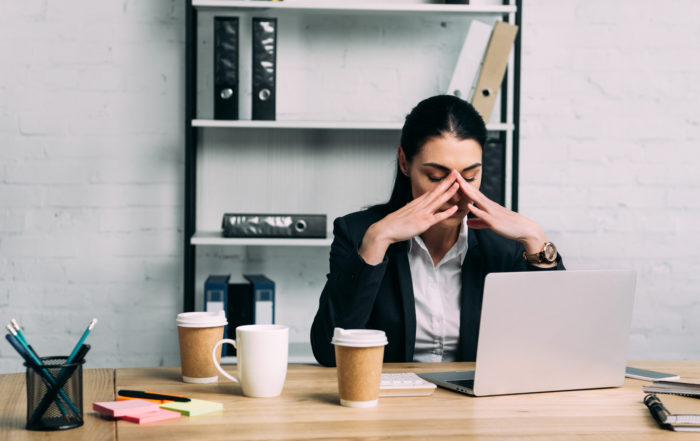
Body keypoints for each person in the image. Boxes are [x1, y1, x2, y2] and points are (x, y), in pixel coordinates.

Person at [310, 95, 565, 367]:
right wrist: (377, 240)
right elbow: (329, 352)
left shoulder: (507, 244)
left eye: (469, 178)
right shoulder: (358, 233)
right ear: (404, 163)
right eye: (436, 177)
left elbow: (558, 346)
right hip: (388, 404)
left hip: (477, 404)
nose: (456, 194)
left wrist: (535, 238)